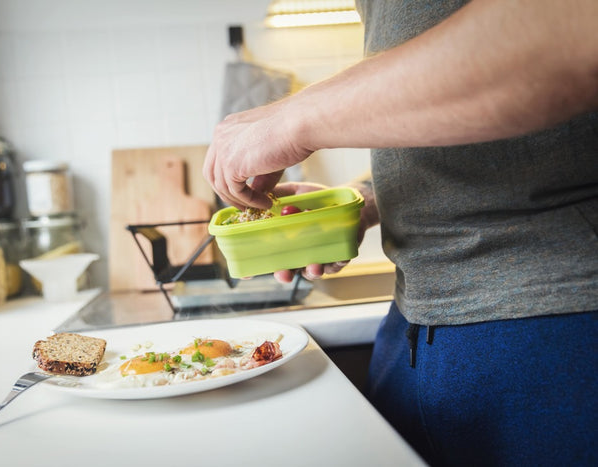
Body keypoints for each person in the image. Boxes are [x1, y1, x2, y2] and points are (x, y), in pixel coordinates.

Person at [203, 0, 598, 465]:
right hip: (410, 330)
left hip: (556, 323)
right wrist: (359, 204)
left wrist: (293, 117)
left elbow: (571, 30)